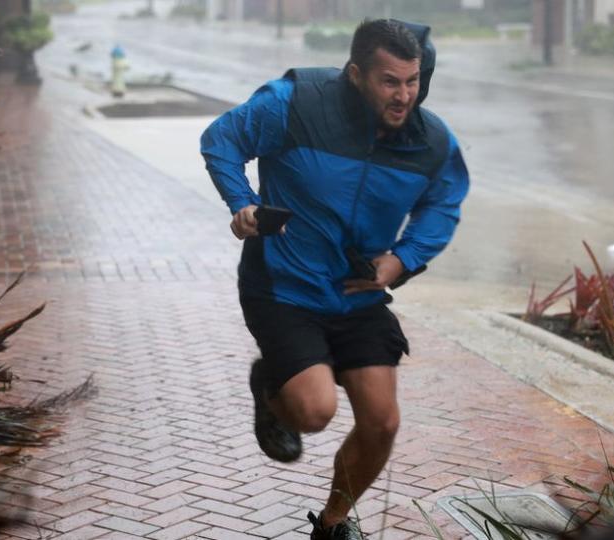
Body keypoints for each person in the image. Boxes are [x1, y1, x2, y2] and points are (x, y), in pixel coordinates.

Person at [200, 19, 469, 540]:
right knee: (314, 411)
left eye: (412, 81)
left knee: (382, 421)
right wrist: (242, 203)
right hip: (284, 285)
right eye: (390, 81)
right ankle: (272, 387)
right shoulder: (294, 103)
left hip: (357, 293)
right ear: (355, 74)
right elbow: (222, 139)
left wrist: (402, 259)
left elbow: (444, 201)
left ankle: (332, 524)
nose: (404, 95)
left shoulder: (431, 141)